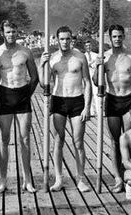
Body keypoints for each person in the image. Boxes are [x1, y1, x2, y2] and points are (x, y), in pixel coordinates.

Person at [0, 20, 39, 193]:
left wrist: (26, 94)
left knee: (25, 139)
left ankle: (27, 180)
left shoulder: (25, 51)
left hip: (22, 94)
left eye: (14, 31)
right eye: (8, 32)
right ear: (3, 33)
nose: (11, 35)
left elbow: (35, 76)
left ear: (17, 32)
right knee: (4, 139)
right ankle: (3, 180)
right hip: (5, 95)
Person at [39, 26, 92, 192]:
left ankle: (80, 178)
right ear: (57, 40)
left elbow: (88, 83)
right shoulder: (53, 59)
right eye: (62, 39)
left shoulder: (80, 57)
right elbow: (43, 84)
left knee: (78, 141)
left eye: (68, 38)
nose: (65, 42)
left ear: (72, 39)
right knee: (58, 141)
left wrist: (87, 107)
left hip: (77, 100)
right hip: (58, 100)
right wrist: (42, 65)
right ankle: (59, 178)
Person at [93, 24, 131, 193]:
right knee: (115, 142)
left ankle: (130, 177)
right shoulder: (105, 57)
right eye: (114, 36)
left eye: (120, 36)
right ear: (109, 38)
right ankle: (118, 178)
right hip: (112, 99)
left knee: (127, 141)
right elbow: (95, 81)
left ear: (124, 36)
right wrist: (98, 66)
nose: (117, 39)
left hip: (129, 100)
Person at [84, 40, 98, 116]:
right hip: (86, 77)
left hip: (94, 77)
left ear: (91, 46)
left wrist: (91, 64)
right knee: (89, 93)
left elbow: (96, 66)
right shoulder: (83, 56)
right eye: (86, 46)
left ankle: (98, 111)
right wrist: (89, 63)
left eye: (89, 45)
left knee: (96, 93)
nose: (88, 47)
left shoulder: (96, 55)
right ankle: (91, 112)